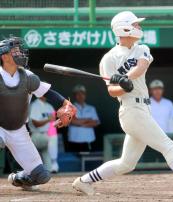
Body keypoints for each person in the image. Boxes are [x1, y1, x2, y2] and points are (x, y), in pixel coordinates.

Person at [72, 11, 173, 196]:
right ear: (124, 28)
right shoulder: (109, 59)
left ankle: (83, 181)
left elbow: (141, 66)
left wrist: (125, 78)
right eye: (134, 25)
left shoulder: (141, 48)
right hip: (131, 111)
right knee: (168, 146)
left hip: (143, 109)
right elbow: (112, 91)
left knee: (127, 163)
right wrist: (123, 87)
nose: (138, 27)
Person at [0, 36, 75, 190]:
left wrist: (66, 105)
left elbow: (50, 93)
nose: (20, 53)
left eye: (20, 50)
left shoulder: (27, 76)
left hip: (18, 131)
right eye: (15, 51)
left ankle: (18, 178)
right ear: (4, 56)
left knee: (41, 176)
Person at [30, 97, 59, 173]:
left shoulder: (49, 106)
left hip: (46, 135)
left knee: (50, 169)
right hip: (36, 136)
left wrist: (63, 119)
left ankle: (51, 167)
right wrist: (48, 119)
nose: (46, 94)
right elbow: (35, 124)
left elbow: (53, 124)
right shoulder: (35, 105)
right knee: (51, 138)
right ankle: (54, 162)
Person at [68, 85, 100, 152]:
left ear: (85, 95)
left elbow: (96, 122)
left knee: (87, 160)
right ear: (74, 95)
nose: (80, 96)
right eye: (77, 94)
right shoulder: (69, 107)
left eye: (82, 93)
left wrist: (79, 123)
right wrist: (88, 119)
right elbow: (72, 121)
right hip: (74, 139)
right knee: (75, 161)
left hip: (89, 139)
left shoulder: (91, 108)